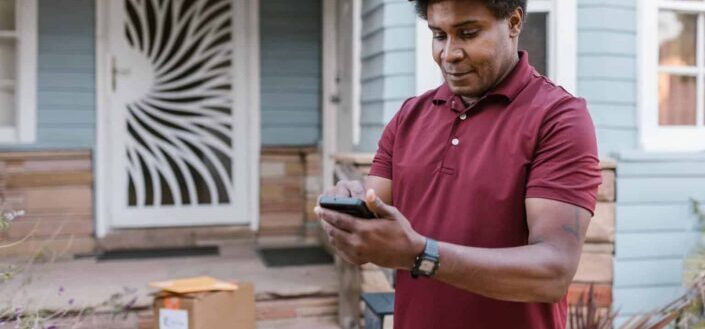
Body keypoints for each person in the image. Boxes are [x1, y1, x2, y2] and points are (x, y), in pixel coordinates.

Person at [314, 0, 602, 328]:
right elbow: (367, 240)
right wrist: (350, 215)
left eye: (467, 33)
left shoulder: (558, 119)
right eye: (439, 35)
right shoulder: (409, 117)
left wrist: (421, 255)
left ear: (514, 23)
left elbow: (553, 272)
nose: (449, 53)